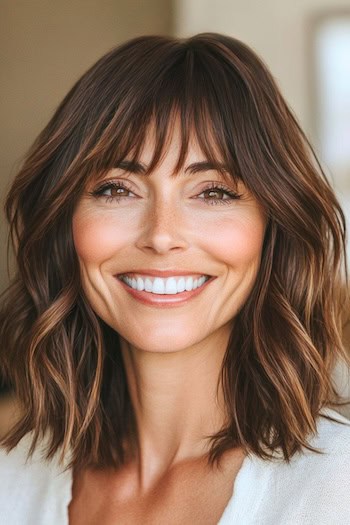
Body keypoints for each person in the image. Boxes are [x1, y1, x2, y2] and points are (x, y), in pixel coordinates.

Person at [0, 32, 350, 525]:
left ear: (271, 227)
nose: (162, 236)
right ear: (65, 221)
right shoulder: (11, 482)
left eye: (213, 193)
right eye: (117, 189)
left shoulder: (337, 489)